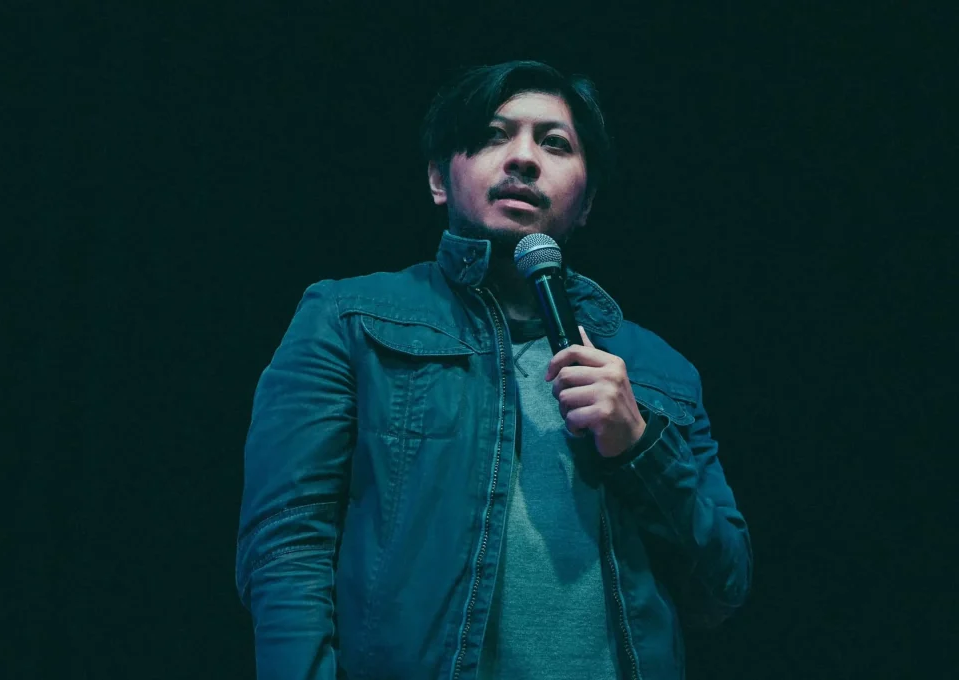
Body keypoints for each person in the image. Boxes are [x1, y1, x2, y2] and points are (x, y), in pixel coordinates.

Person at [236, 60, 752, 680]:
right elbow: (287, 546)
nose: (523, 159)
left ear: (587, 202)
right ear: (438, 177)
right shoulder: (345, 319)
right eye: (492, 135)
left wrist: (638, 445)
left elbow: (721, 588)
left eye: (555, 143)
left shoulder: (659, 372)